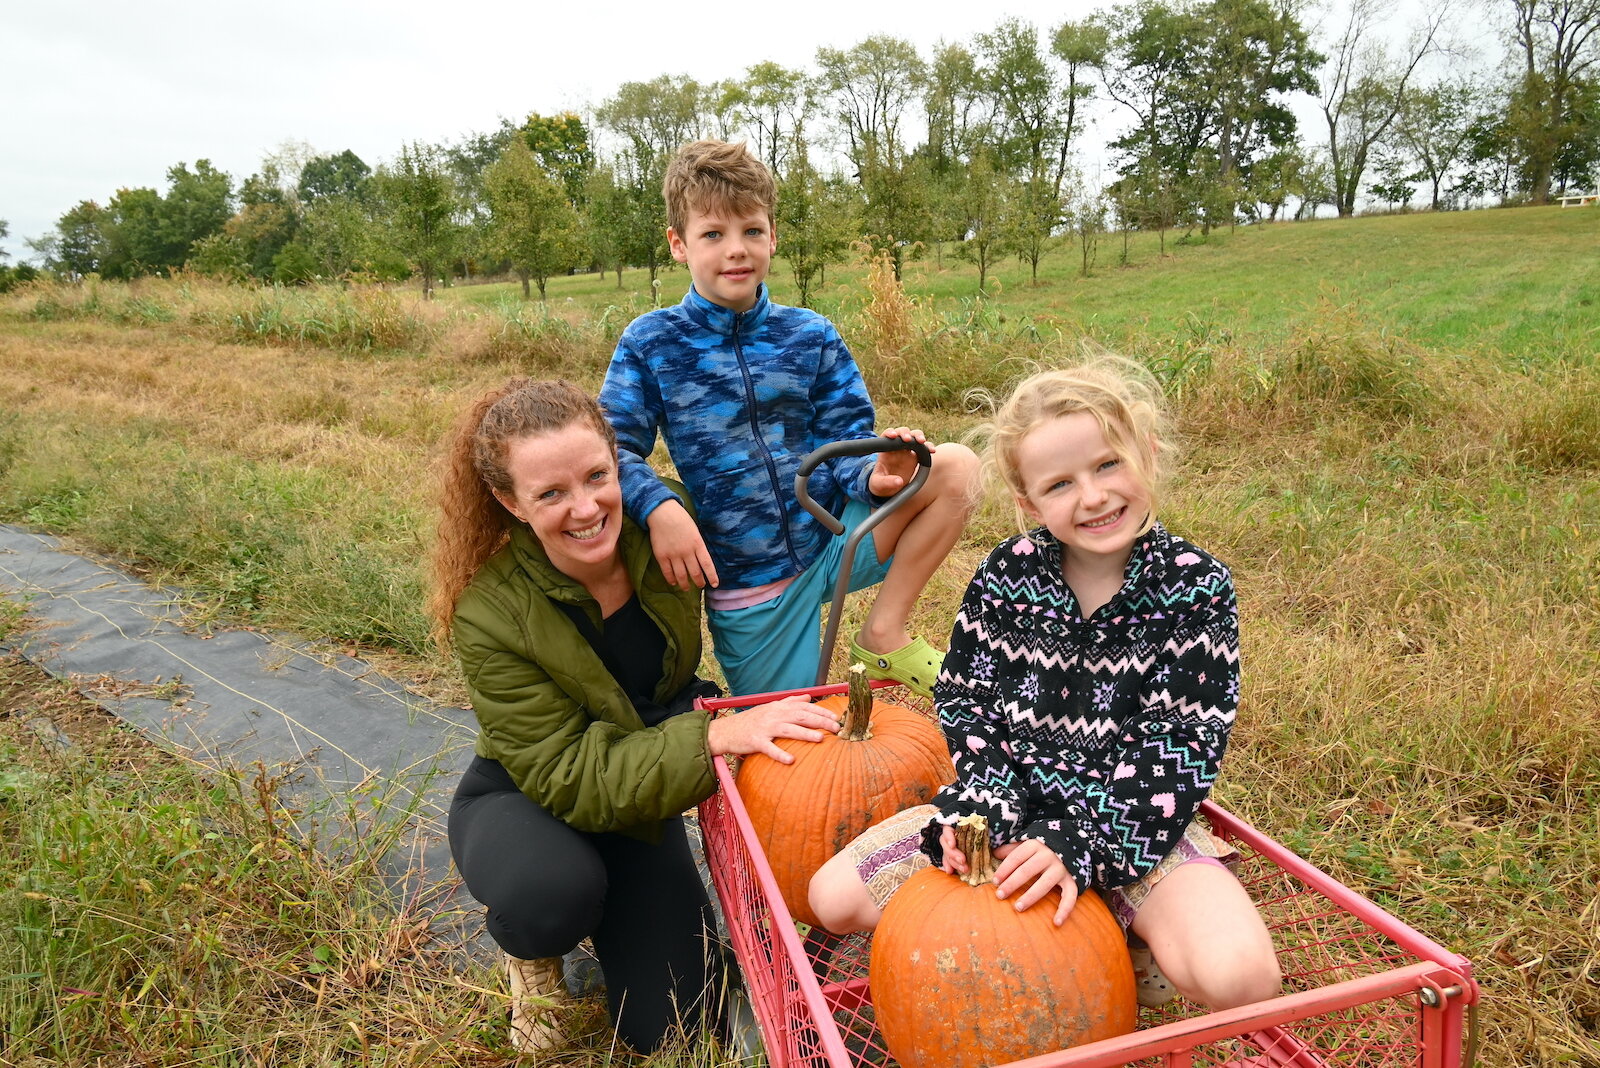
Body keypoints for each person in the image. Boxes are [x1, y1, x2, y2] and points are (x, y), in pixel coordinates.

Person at [808, 356, 1281, 1012]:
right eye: (1060, 484)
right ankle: (1002, 942)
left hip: (1132, 822)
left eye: (1109, 465)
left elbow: (1179, 742)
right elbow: (968, 698)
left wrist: (1086, 841)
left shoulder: (1193, 587)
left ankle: (1113, 930)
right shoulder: (1008, 575)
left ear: (1145, 454)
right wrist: (986, 806)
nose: (1092, 496)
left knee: (1239, 976)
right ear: (1029, 502)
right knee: (833, 899)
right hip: (1009, 809)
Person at [428, 377, 841, 1054]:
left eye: (597, 476)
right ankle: (533, 957)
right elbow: (566, 774)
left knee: (678, 1028)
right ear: (510, 502)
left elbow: (776, 529)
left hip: (641, 796)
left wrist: (873, 484)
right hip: (533, 795)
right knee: (550, 893)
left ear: (620, 465)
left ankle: (627, 917)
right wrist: (710, 738)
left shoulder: (662, 528)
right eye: (550, 494)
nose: (586, 508)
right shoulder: (490, 614)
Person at [597, 139, 979, 700]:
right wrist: (660, 506)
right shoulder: (651, 342)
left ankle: (883, 633)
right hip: (753, 587)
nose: (737, 250)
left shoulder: (811, 335)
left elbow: (848, 435)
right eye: (713, 234)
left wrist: (873, 476)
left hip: (837, 539)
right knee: (795, 754)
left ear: (773, 235)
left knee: (955, 467)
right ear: (679, 245)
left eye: (752, 230)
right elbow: (609, 451)